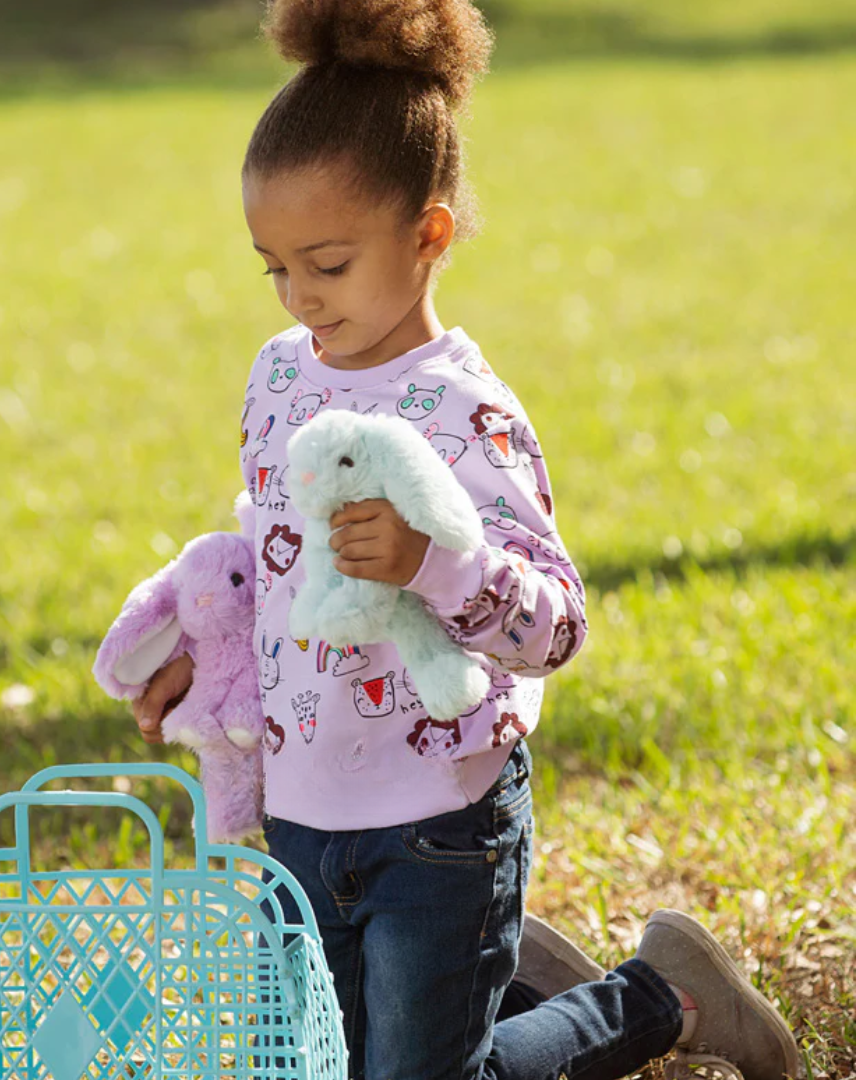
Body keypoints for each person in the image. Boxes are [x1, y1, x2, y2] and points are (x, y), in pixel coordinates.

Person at [131, 1, 801, 1077]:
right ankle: (515, 978)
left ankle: (662, 995)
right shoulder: (279, 375)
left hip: (440, 825)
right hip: (305, 818)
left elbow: (556, 624)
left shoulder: (465, 412)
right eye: (275, 267)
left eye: (330, 262)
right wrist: (205, 649)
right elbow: (276, 557)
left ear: (429, 233)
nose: (301, 295)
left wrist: (430, 563)